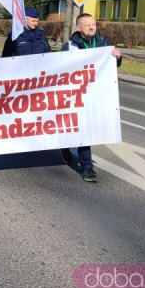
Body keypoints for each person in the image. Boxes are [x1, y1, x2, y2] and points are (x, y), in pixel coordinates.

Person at [60, 13, 122, 183]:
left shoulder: (104, 45)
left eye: (93, 24)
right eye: (87, 24)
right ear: (78, 27)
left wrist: (118, 56)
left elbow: (113, 65)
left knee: (87, 129)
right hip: (75, 96)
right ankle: (84, 164)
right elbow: (58, 70)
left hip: (96, 96)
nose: (91, 27)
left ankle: (78, 157)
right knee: (79, 128)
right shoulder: (69, 46)